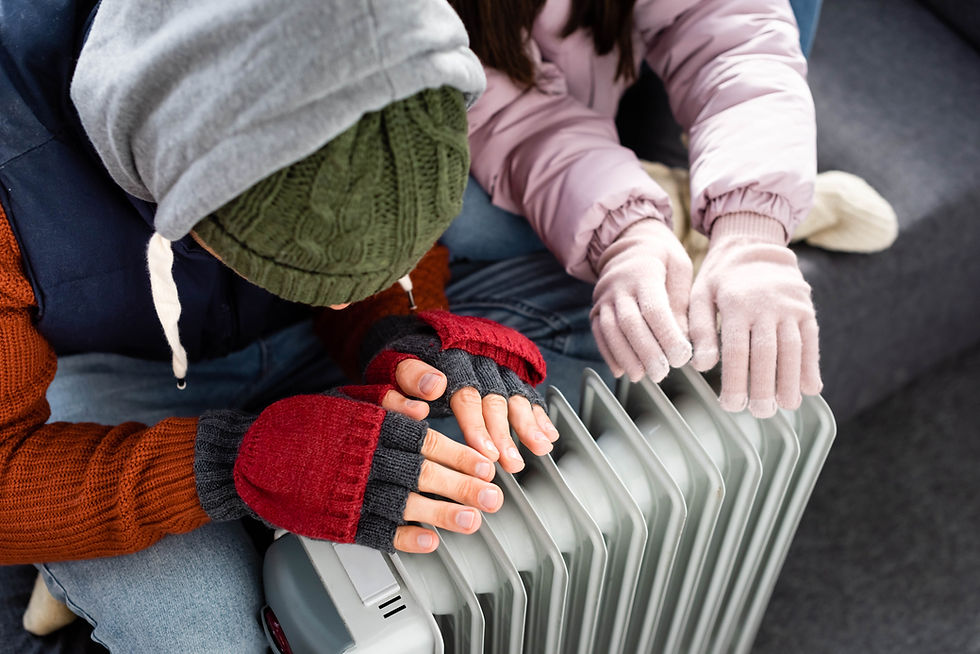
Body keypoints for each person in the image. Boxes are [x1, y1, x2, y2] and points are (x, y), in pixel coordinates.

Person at [0, 0, 560, 651]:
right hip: (106, 378)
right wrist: (221, 463)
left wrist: (399, 335)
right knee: (206, 636)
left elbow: (381, 236)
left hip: (298, 340)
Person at [444, 0, 827, 419]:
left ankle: (684, 194)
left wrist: (752, 224)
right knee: (471, 221)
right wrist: (624, 228)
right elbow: (512, 117)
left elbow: (730, 27)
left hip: (601, 58)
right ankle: (659, 197)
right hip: (501, 117)